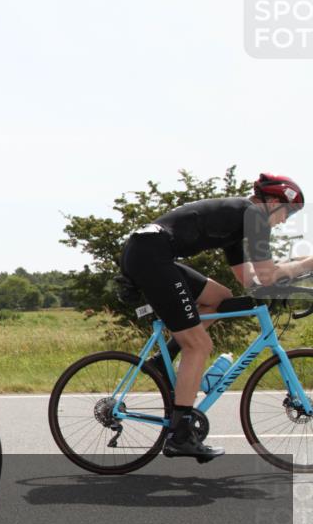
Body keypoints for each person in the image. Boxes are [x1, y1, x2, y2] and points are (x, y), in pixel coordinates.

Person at [120, 173, 312, 462]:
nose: (285, 220)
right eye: (288, 211)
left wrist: (293, 288)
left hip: (148, 251)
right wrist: (308, 264)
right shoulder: (254, 217)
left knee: (218, 298)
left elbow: (249, 281)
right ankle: (180, 436)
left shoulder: (238, 223)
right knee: (198, 345)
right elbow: (268, 274)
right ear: (273, 202)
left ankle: (162, 362)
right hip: (151, 255)